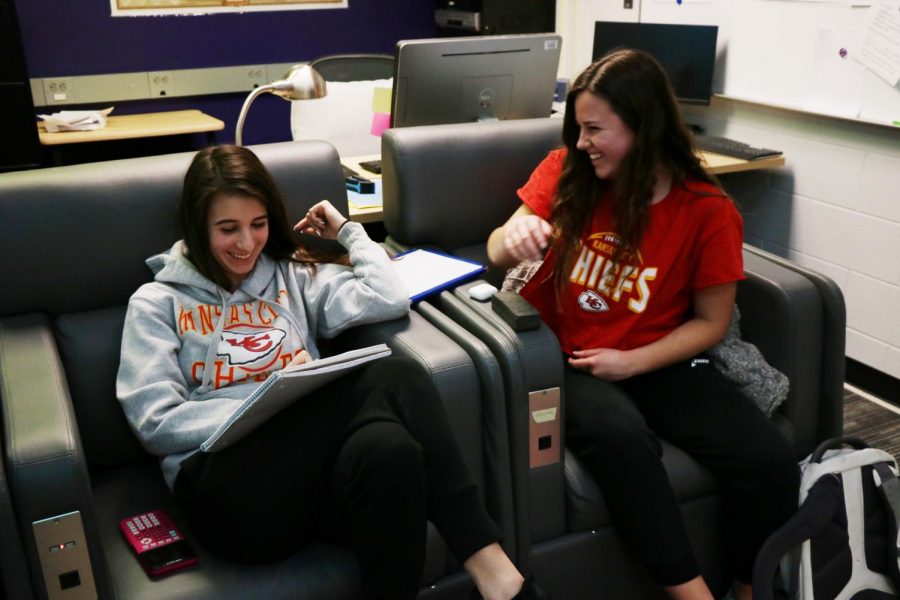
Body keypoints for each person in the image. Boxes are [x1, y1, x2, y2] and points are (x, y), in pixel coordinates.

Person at [117, 144, 551, 600]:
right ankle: (497, 574)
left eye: (258, 225)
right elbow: (156, 422)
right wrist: (268, 399)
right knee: (397, 376)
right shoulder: (156, 302)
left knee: (390, 451)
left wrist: (348, 232)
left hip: (307, 488)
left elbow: (389, 296)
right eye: (228, 229)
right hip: (229, 497)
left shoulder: (289, 276)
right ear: (198, 227)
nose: (246, 244)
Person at [486, 49, 799, 600]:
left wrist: (632, 362)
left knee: (769, 460)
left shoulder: (707, 209)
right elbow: (497, 246)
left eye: (594, 129)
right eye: (578, 129)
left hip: (655, 358)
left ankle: (751, 588)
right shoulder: (564, 172)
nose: (582, 142)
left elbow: (711, 323)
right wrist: (511, 241)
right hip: (569, 358)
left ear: (644, 126)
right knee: (620, 438)